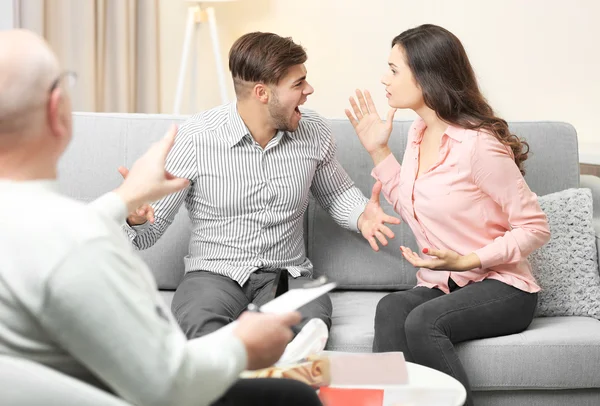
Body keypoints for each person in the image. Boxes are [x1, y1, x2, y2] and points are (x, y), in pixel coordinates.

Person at [0, 29, 322, 406]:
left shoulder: (54, 231)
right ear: (57, 110)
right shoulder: (79, 247)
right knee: (294, 399)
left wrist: (124, 199)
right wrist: (243, 345)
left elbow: (57, 231)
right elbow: (168, 386)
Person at [123, 31, 400, 348]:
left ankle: (287, 389)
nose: (309, 90)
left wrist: (363, 216)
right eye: (298, 84)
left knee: (311, 327)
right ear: (262, 93)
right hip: (214, 274)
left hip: (288, 275)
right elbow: (149, 230)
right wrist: (135, 218)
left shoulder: (314, 131)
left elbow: (337, 194)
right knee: (203, 333)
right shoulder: (195, 138)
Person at [345, 24, 551, 406]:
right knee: (391, 308)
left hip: (503, 287)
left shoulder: (478, 145)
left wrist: (469, 259)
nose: (383, 78)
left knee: (424, 321)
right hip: (447, 283)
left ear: (425, 75)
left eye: (393, 69)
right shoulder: (418, 134)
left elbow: (535, 227)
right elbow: (414, 208)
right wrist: (377, 151)